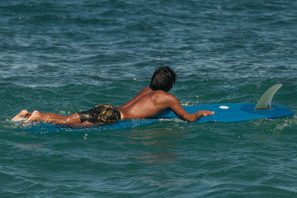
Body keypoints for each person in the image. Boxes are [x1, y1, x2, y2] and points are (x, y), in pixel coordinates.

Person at [11, 66, 214, 127]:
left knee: (69, 118)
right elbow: (187, 118)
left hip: (108, 109)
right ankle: (36, 117)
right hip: (113, 117)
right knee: (67, 123)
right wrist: (200, 113)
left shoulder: (146, 90)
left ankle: (28, 114)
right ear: (170, 84)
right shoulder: (168, 99)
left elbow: (144, 108)